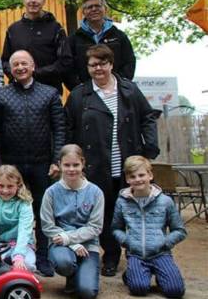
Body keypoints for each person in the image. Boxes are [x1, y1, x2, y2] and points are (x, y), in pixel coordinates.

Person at [65, 44, 160, 276]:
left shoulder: (128, 90)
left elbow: (148, 117)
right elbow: (68, 128)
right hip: (97, 163)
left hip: (128, 161)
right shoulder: (79, 95)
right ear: (87, 68)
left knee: (133, 209)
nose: (99, 68)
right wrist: (70, 160)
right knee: (106, 212)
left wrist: (150, 148)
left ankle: (137, 256)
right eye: (93, 64)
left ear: (111, 64)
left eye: (103, 63)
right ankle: (111, 255)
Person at [0, 49, 65, 276]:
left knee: (43, 212)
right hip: (12, 166)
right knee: (11, 213)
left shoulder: (50, 94)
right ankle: (9, 254)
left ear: (33, 66)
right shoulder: (0, 95)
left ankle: (42, 257)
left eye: (24, 64)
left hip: (43, 164)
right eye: (15, 65)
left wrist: (56, 160)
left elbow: (59, 129)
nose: (20, 68)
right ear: (10, 70)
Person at [113, 156, 187, 298]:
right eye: (132, 176)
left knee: (175, 291)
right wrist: (128, 241)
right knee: (139, 289)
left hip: (161, 253)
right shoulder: (122, 202)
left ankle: (163, 275)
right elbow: (116, 228)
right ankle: (131, 273)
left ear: (150, 175)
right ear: (127, 179)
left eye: (142, 175)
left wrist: (164, 242)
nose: (138, 179)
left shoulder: (165, 201)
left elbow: (180, 230)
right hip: (136, 254)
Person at [41, 144, 104, 299]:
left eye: (76, 165)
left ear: (83, 163)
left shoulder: (95, 192)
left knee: (87, 293)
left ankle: (83, 274)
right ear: (60, 165)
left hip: (89, 245)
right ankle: (72, 272)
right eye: (66, 165)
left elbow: (95, 227)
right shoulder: (51, 193)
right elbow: (48, 226)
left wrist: (71, 238)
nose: (71, 169)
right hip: (60, 242)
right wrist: (72, 243)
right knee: (64, 262)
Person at [1, 0, 74, 94]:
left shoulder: (56, 28)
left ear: (44, 0)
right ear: (24, 0)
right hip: (18, 92)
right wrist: (18, 74)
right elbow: (5, 60)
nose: (33, 0)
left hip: (49, 91)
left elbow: (65, 61)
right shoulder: (13, 30)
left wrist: (34, 73)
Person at [67, 0, 136, 86]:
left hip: (116, 90)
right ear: (84, 12)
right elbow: (68, 66)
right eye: (89, 7)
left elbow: (129, 62)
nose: (94, 9)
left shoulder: (119, 36)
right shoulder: (74, 39)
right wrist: (79, 88)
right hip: (85, 94)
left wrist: (120, 85)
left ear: (105, 9)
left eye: (98, 6)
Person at [0, 165, 36, 272]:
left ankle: (11, 263)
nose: (5, 190)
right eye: (1, 186)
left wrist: (19, 255)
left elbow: (24, 230)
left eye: (10, 186)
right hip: (1, 245)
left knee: (27, 265)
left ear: (18, 185)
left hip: (22, 245)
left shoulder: (25, 202)